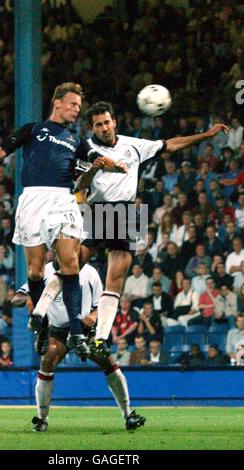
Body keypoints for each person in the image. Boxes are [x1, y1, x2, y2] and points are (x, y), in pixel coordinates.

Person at [28, 100, 228, 358]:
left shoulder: (133, 144)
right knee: (70, 266)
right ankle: (40, 314)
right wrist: (93, 170)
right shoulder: (85, 149)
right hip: (96, 210)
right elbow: (76, 186)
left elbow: (170, 144)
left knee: (116, 280)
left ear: (114, 122)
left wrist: (205, 135)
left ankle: (100, 339)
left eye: (106, 122)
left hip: (127, 212)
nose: (103, 127)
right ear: (92, 128)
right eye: (98, 125)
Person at [0, 83, 124, 358]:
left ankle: (76, 332)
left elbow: (94, 156)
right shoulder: (33, 130)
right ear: (58, 103)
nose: (77, 110)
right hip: (33, 200)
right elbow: (4, 148)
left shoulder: (75, 140)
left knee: (71, 263)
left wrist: (110, 163)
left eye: (79, 106)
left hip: (63, 199)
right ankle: (44, 328)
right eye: (73, 104)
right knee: (36, 272)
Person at [15, 261, 145, 432]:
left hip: (84, 330)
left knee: (106, 358)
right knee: (47, 359)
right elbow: (19, 295)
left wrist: (93, 314)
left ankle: (128, 414)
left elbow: (101, 305)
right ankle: (41, 419)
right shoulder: (44, 270)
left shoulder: (90, 272)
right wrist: (27, 298)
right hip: (57, 331)